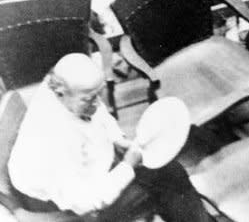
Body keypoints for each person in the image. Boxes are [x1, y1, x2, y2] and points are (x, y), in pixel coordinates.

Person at [8, 53, 212, 221]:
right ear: (60, 91)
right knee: (156, 189)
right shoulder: (53, 139)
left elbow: (100, 113)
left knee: (169, 171)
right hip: (70, 207)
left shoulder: (64, 90)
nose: (97, 103)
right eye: (89, 99)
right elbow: (85, 201)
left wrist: (117, 138)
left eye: (99, 94)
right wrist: (127, 166)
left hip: (90, 172)